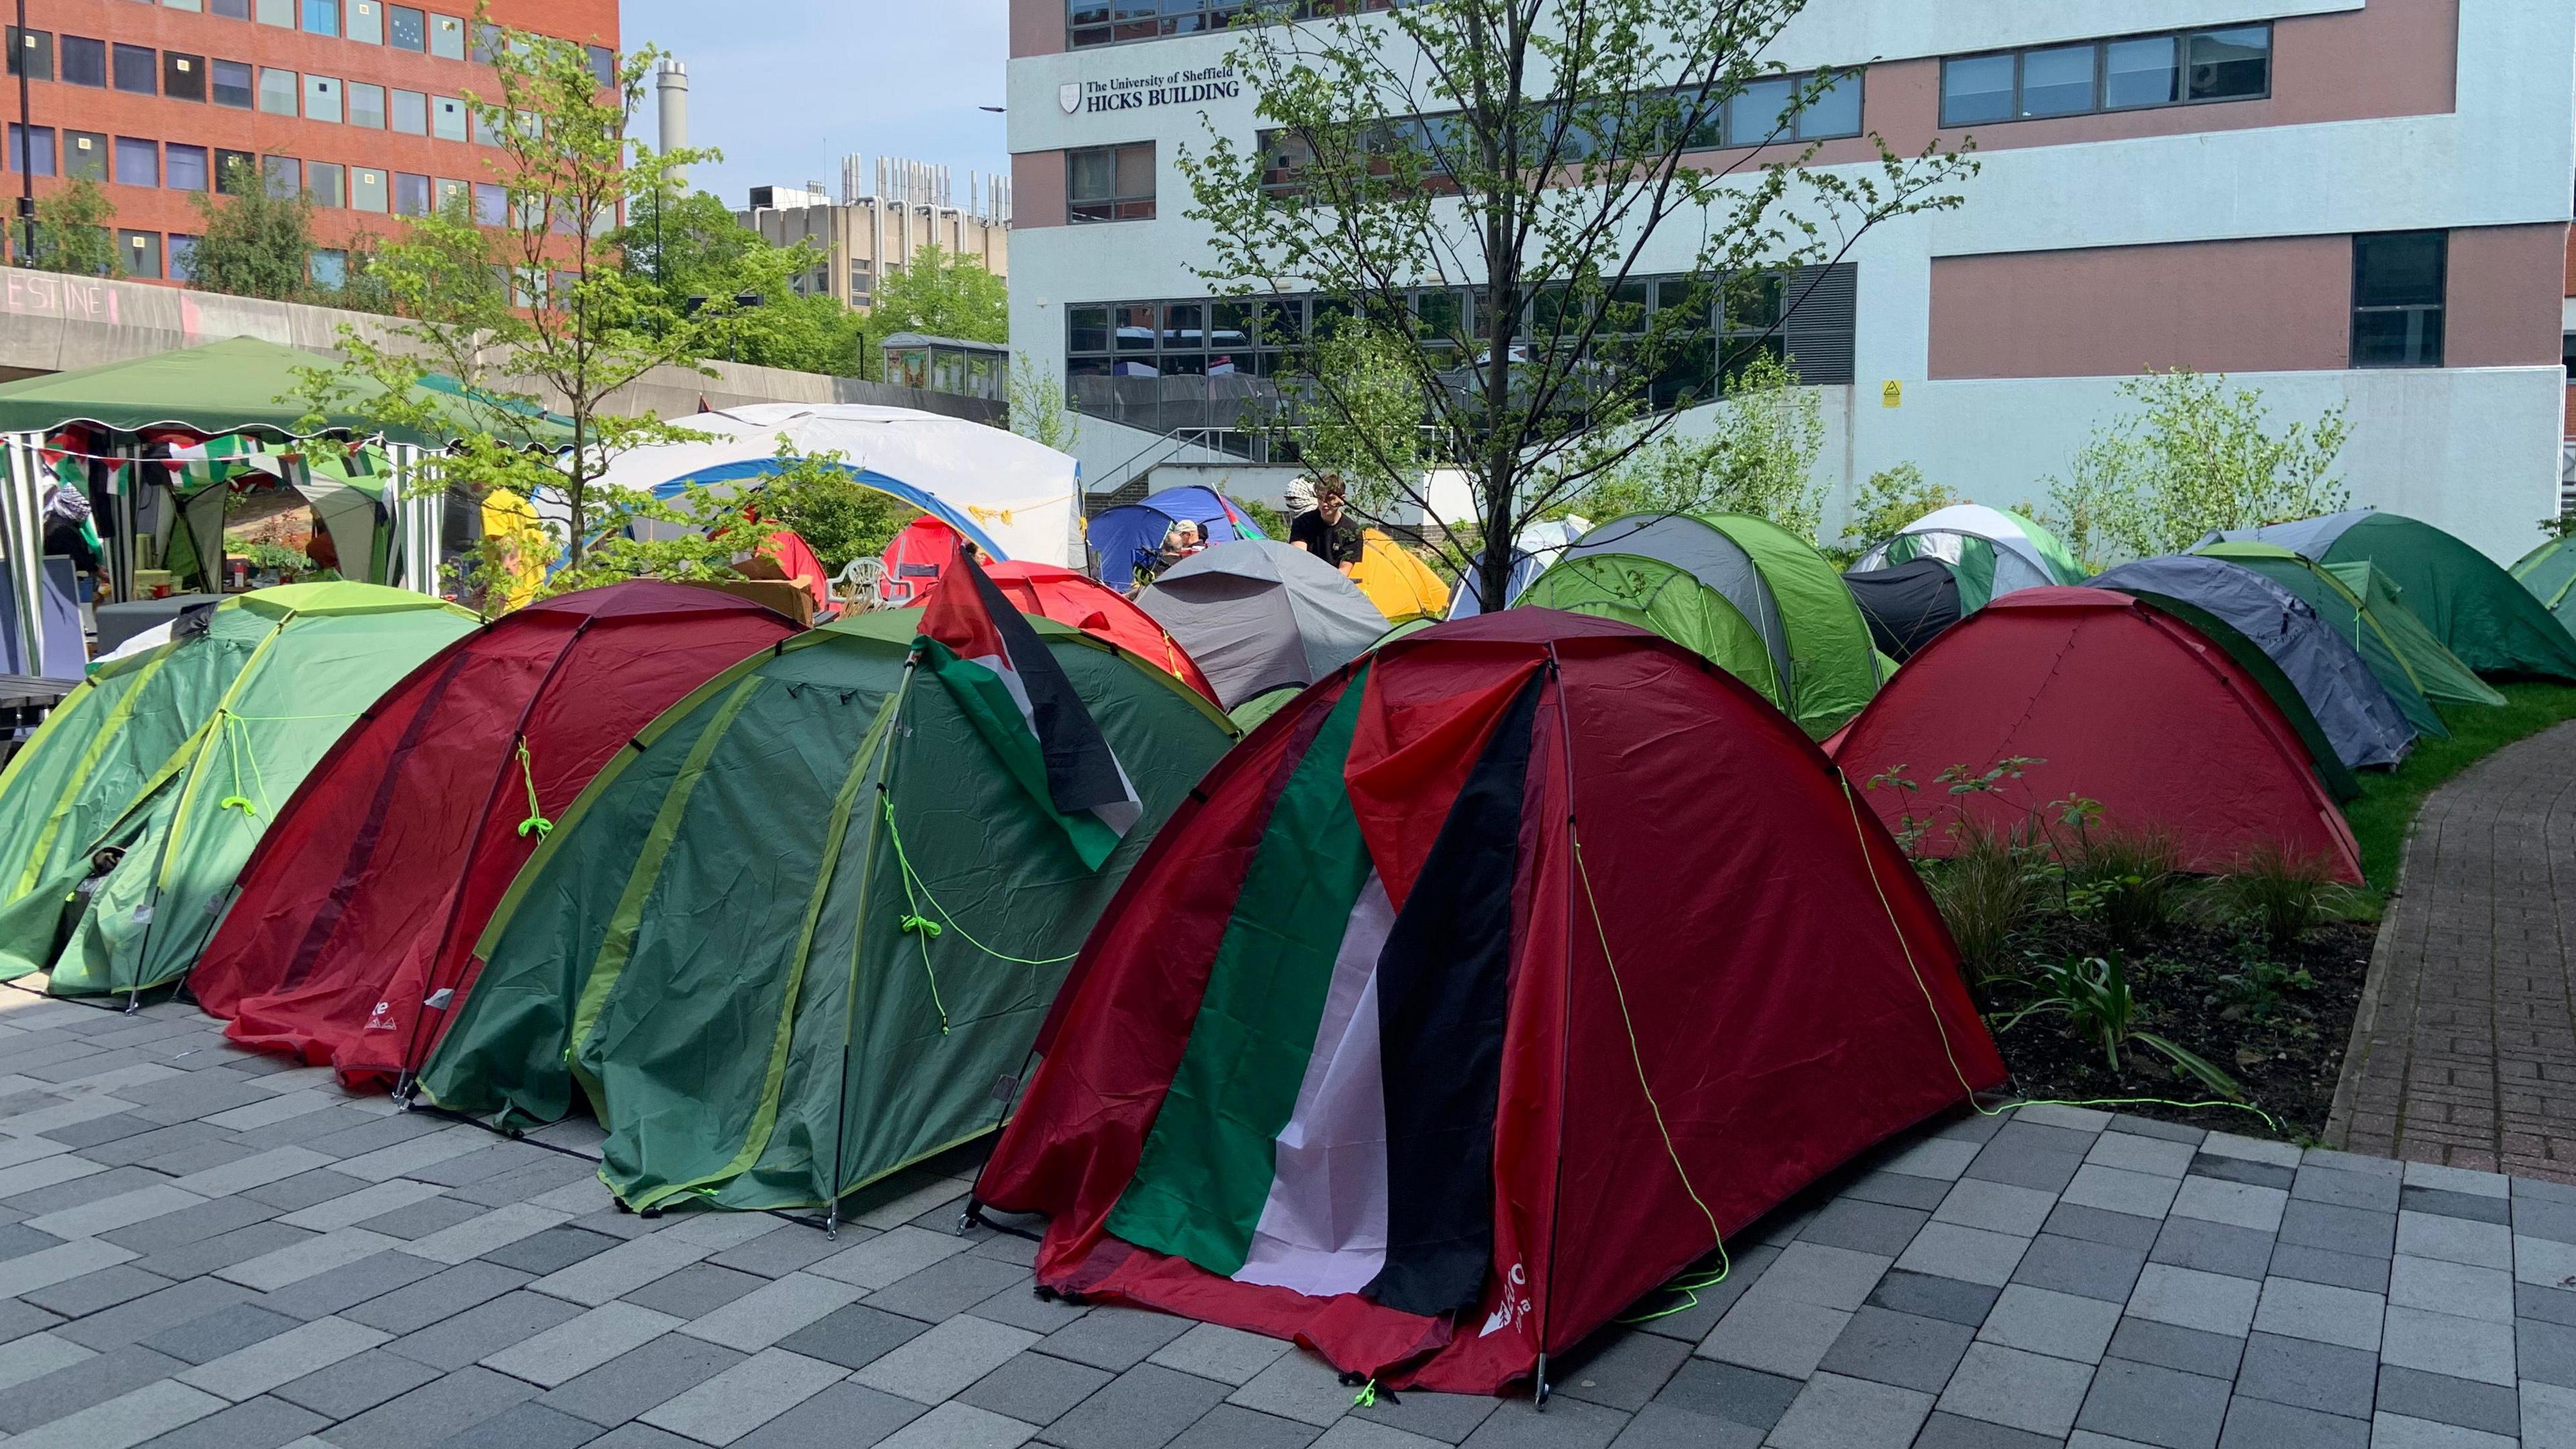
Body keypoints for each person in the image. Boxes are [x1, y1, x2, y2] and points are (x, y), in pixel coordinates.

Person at [1289, 476, 1364, 575]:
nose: (1324, 504)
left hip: (1333, 585)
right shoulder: (1302, 522)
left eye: (1330, 499)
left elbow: (1343, 573)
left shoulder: (1353, 531)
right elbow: (1298, 561)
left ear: (1342, 499)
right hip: (1304, 581)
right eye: (1320, 498)